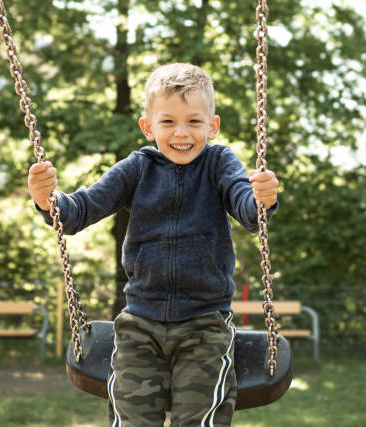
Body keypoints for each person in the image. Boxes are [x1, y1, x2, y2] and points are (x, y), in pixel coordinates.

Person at [28, 63, 279, 426]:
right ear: (148, 127)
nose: (182, 133)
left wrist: (262, 198)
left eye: (194, 122)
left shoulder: (219, 163)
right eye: (168, 122)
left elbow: (247, 210)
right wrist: (46, 198)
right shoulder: (137, 168)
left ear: (213, 126)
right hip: (140, 323)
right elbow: (77, 212)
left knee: (201, 419)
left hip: (204, 324)